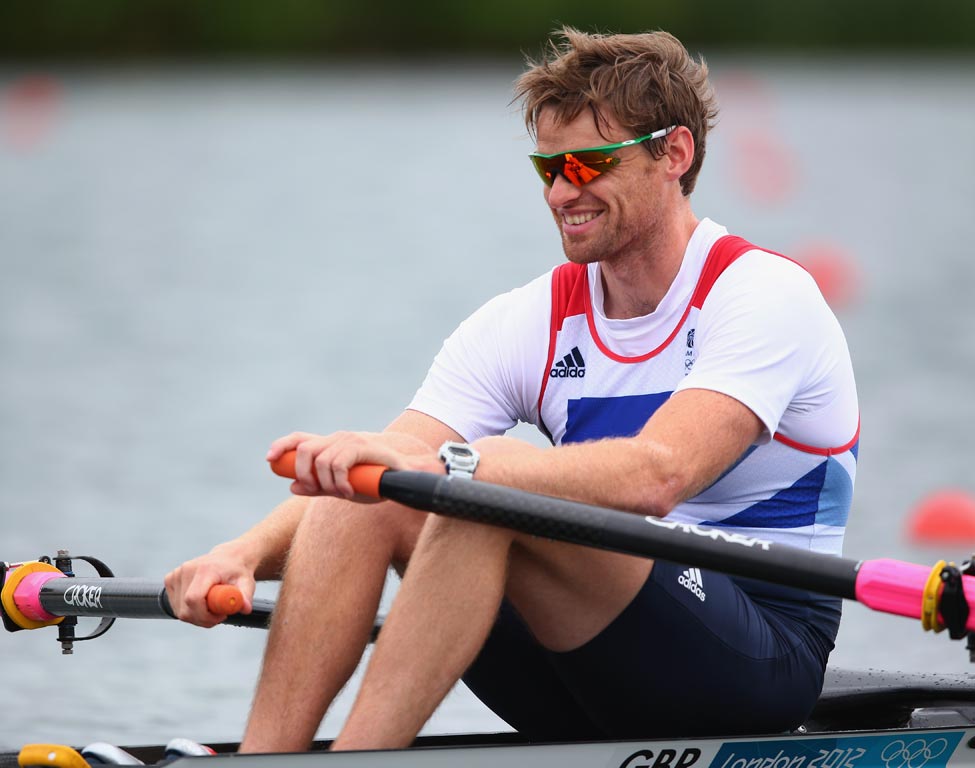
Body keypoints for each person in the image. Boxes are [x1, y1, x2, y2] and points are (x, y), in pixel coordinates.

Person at [165, 26, 859, 751]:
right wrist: (241, 553)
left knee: (477, 495)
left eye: (589, 164)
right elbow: (396, 456)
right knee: (367, 488)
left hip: (757, 657)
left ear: (673, 154)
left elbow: (662, 474)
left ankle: (357, 757)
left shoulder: (765, 296)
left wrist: (459, 469)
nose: (564, 191)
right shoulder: (530, 319)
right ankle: (264, 759)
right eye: (548, 169)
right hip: (589, 663)